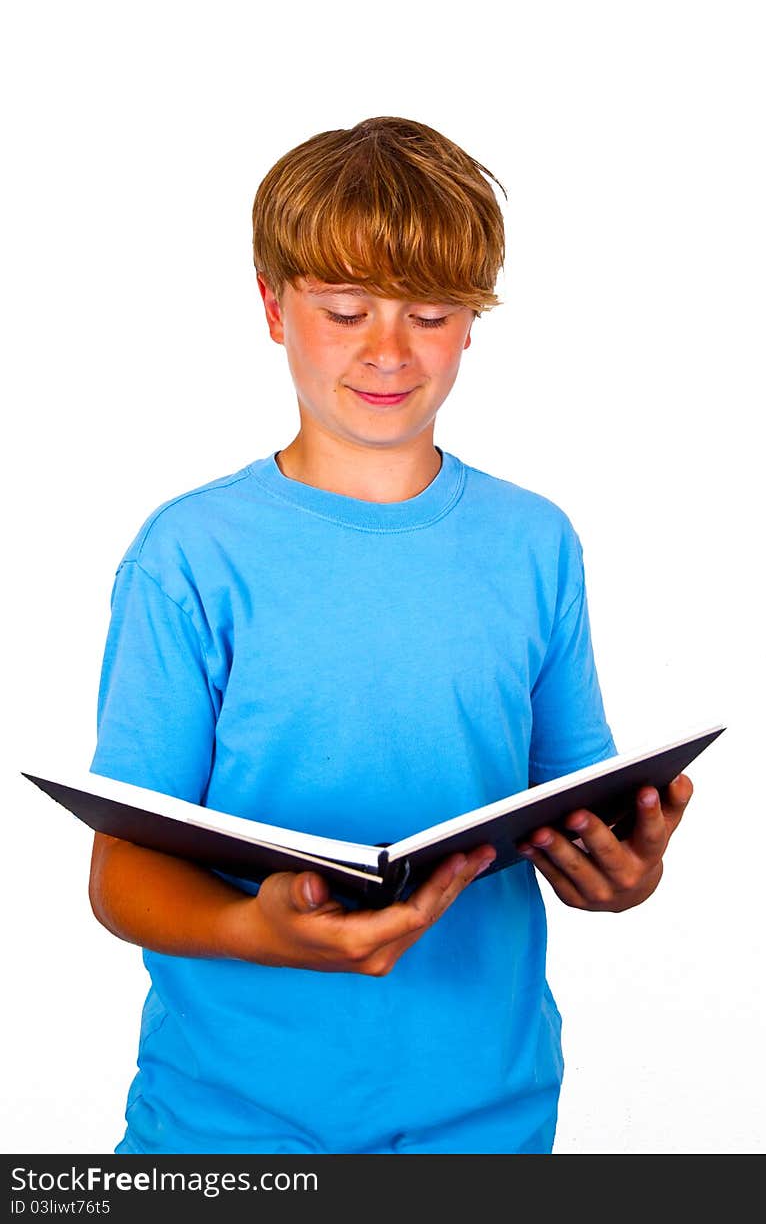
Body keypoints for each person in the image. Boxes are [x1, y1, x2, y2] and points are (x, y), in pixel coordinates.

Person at [87, 115, 694, 1155]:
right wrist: (252, 927)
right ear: (274, 307)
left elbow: (573, 809)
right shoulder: (190, 555)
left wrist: (626, 872)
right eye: (345, 308)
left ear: (470, 324)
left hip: (486, 1122)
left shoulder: (532, 543)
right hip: (228, 1127)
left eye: (427, 312)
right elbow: (121, 874)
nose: (387, 350)